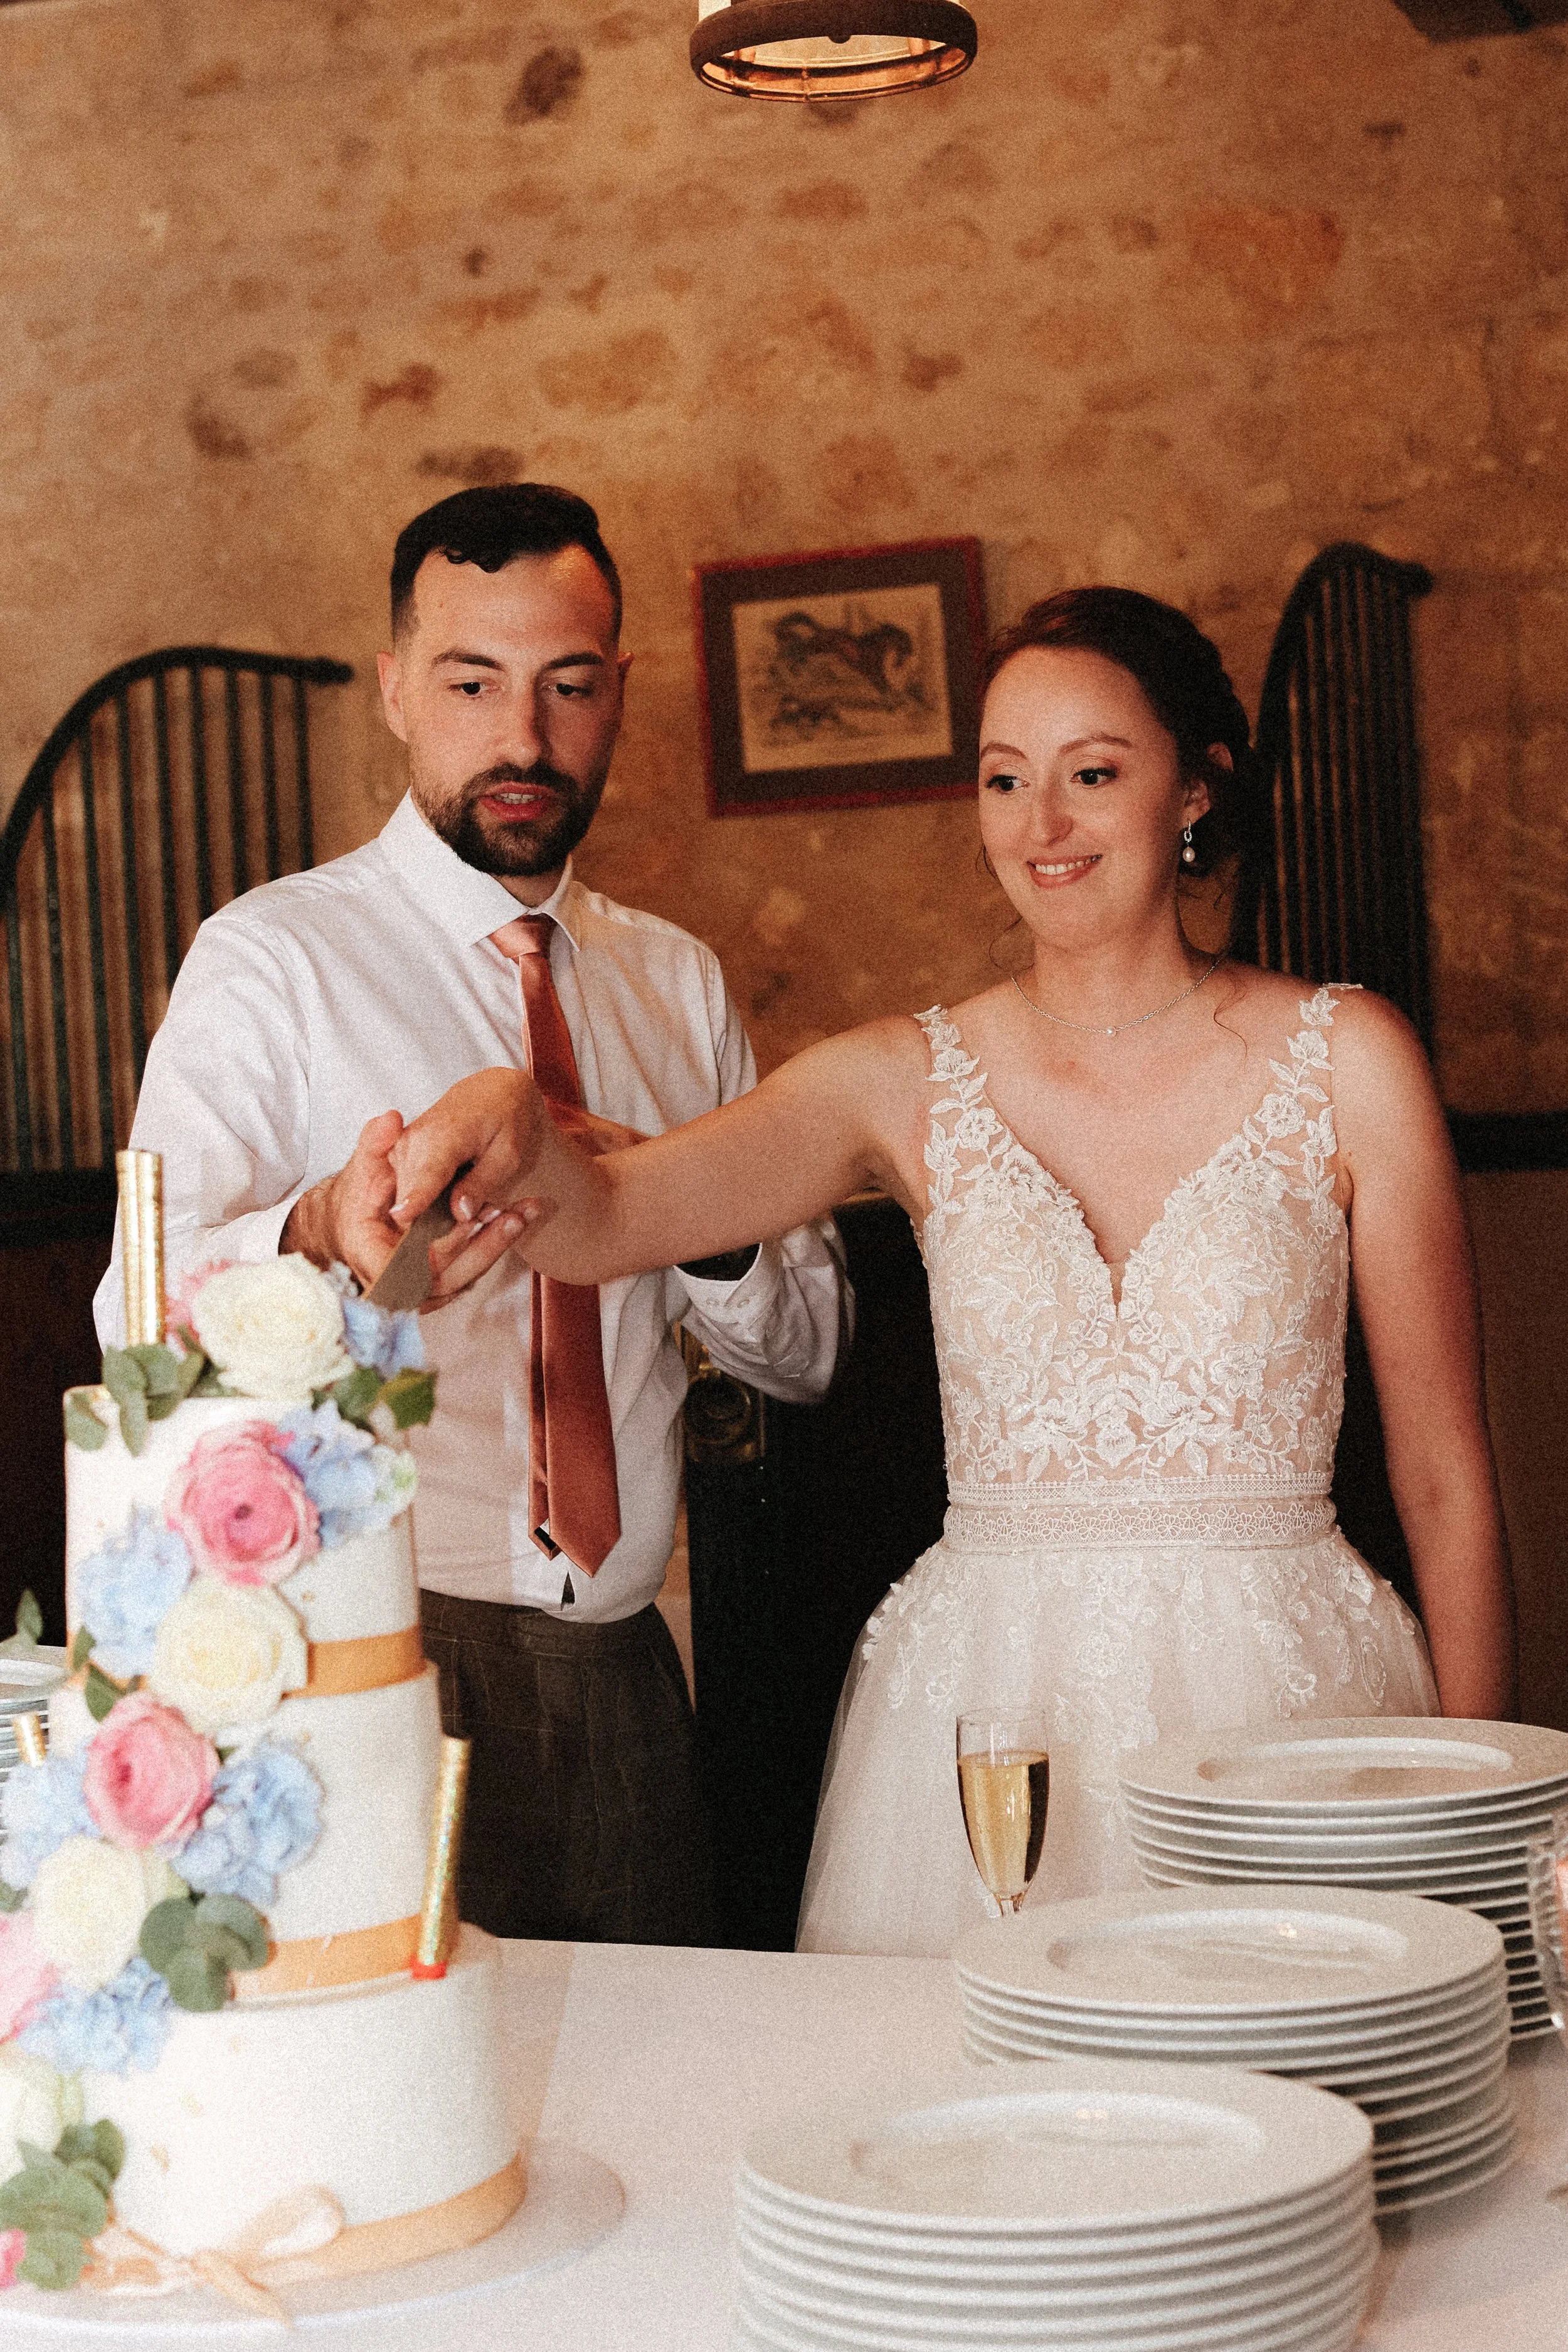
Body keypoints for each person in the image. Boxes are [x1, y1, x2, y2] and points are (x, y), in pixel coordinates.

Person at [384, 583, 1517, 1961]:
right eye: (1001, 779)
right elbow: (611, 1212)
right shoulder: (897, 1078)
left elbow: (1445, 1476)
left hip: (1293, 1706)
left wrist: (1488, 1807)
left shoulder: (1348, 1060)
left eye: (1090, 775)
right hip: (988, 1719)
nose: (1038, 828)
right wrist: (505, 1115)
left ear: (1192, 792)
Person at [96, 482, 849, 1948]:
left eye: (567, 687)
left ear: (616, 691)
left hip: (629, 1664)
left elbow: (804, 1350)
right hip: (375, 1654)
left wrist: (669, 1199)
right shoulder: (271, 960)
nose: (523, 738)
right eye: (471, 683)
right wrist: (315, 1229)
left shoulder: (677, 986)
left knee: (656, 2124)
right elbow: (128, 1316)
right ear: (392, 689)